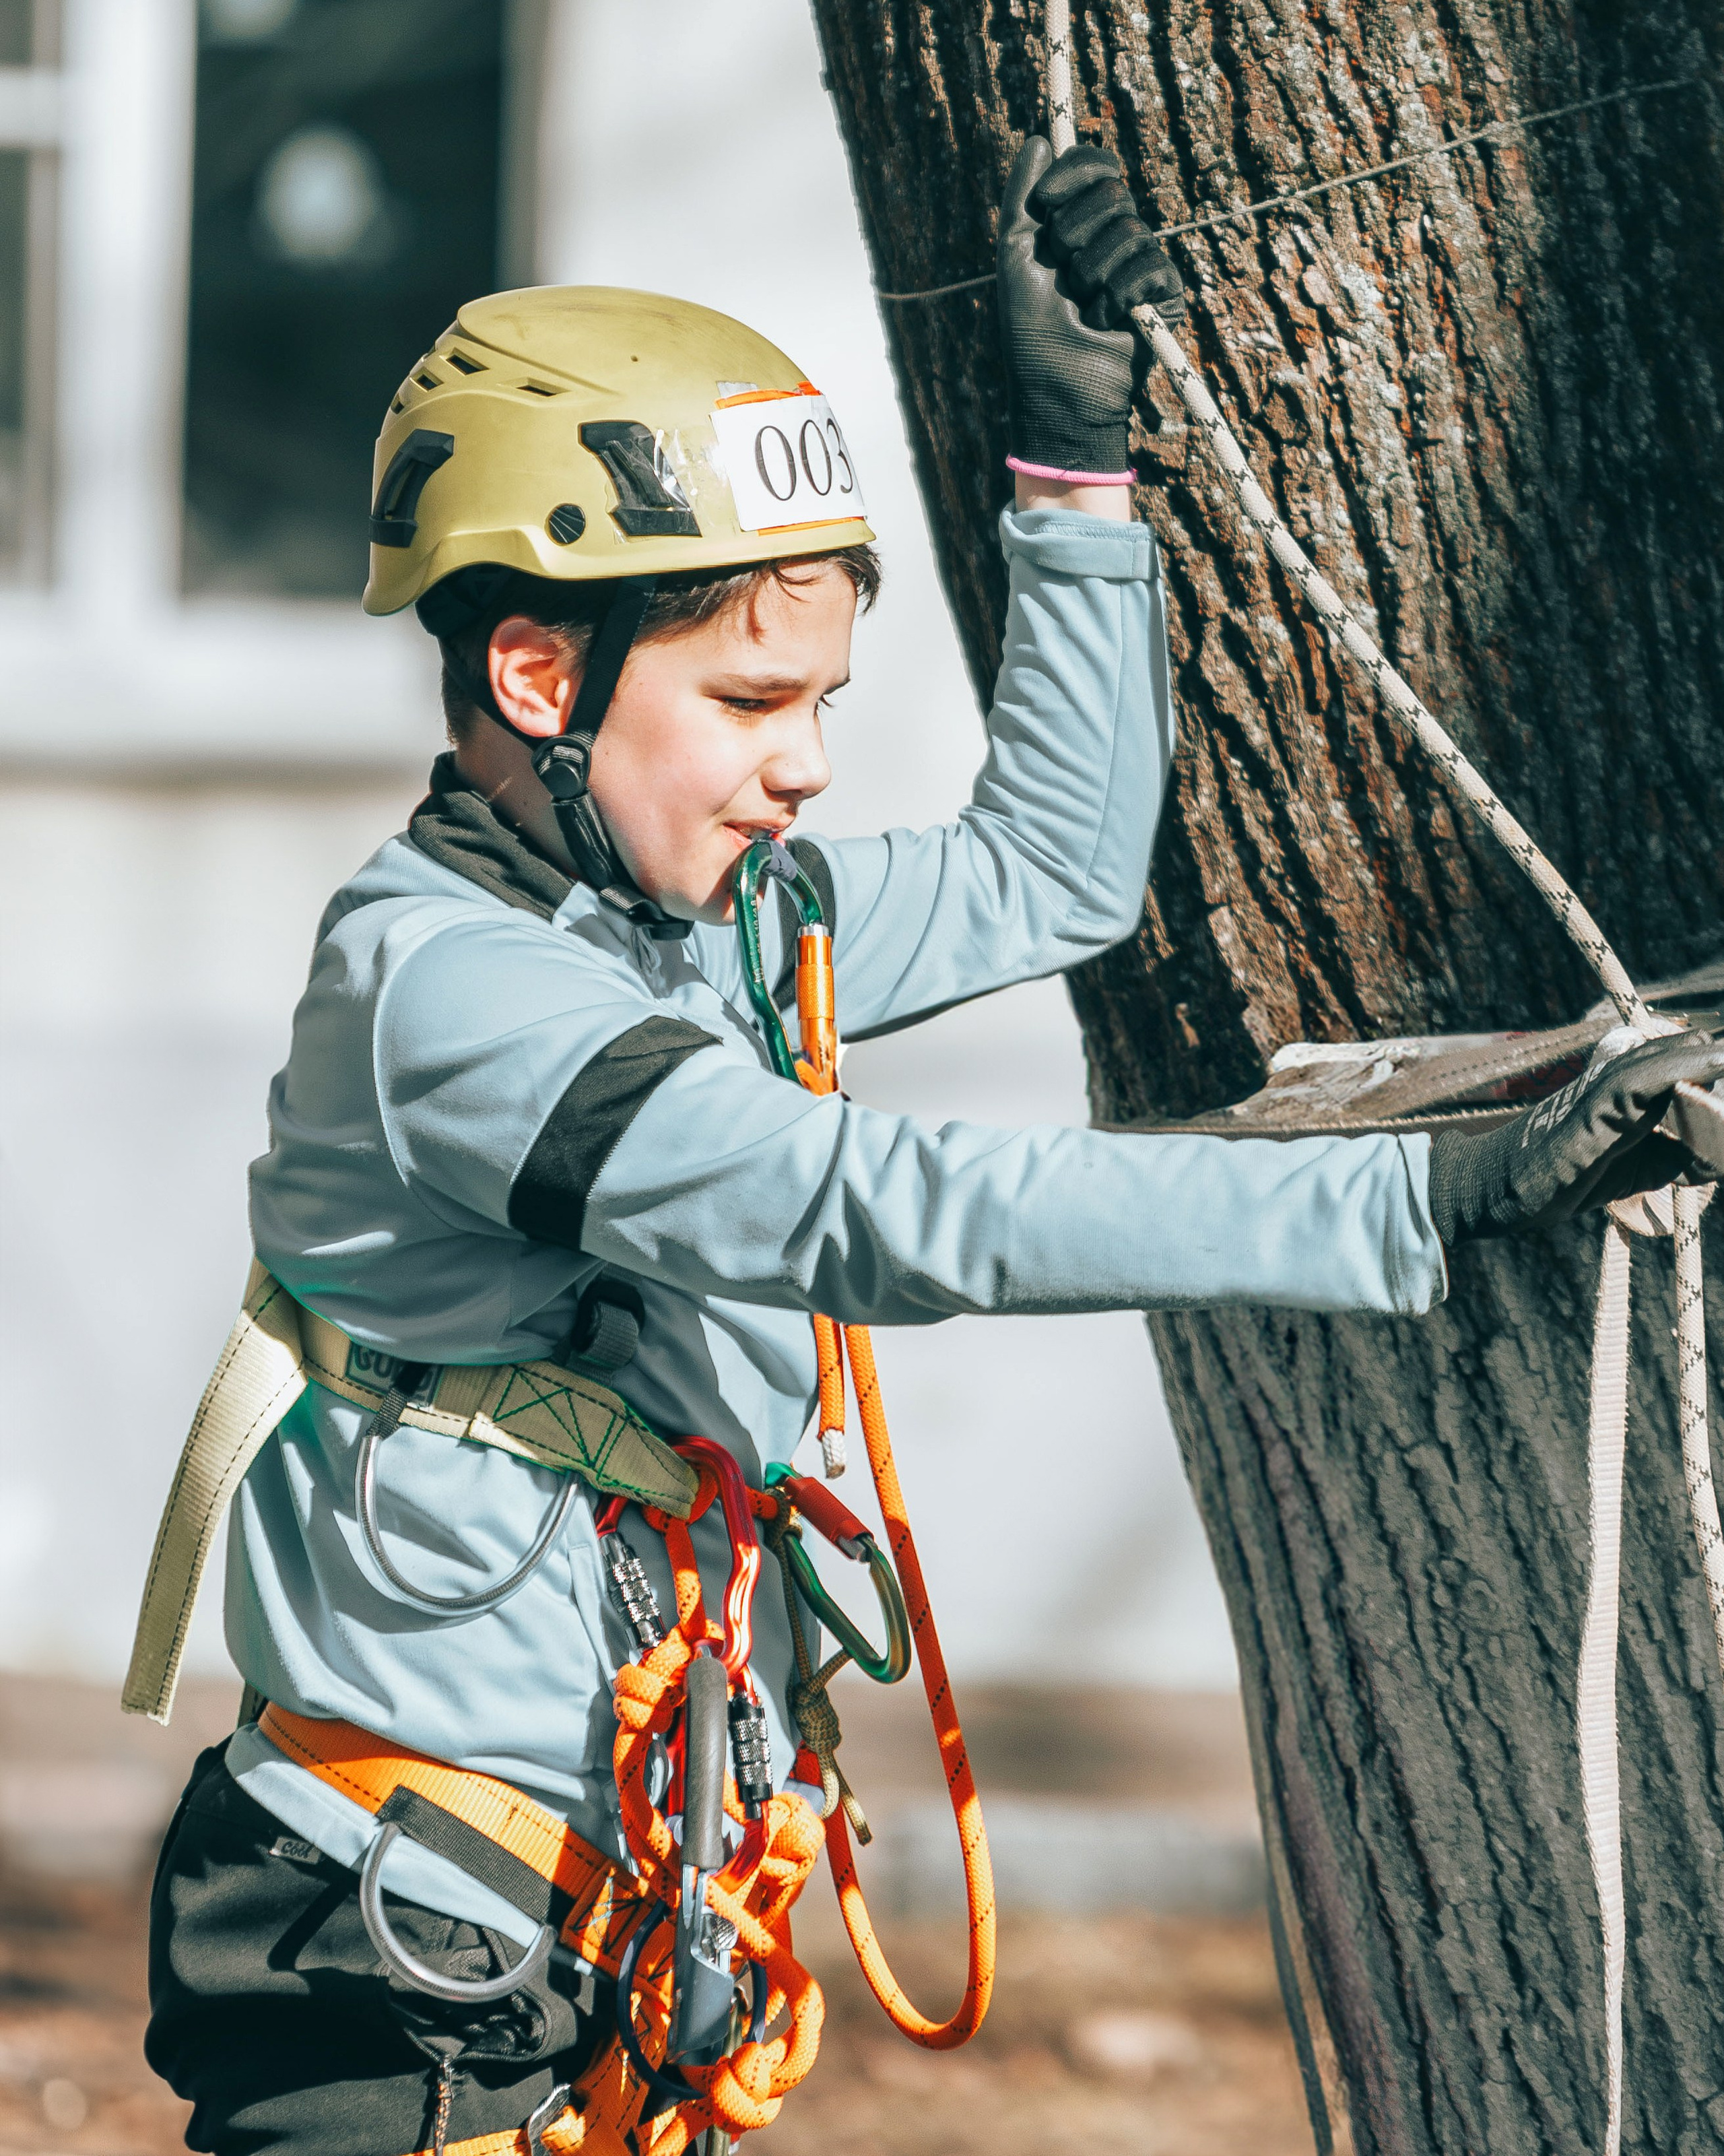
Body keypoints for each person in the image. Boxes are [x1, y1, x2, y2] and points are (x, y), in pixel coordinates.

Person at [140, 140, 1724, 2156]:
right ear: (538, 672)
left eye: (822, 696)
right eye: (745, 696)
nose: (803, 759)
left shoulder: (710, 918)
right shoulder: (444, 994)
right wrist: (1431, 1187)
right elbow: (880, 1208)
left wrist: (1074, 471)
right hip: (411, 1955)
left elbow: (1053, 867)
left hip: (609, 1931)